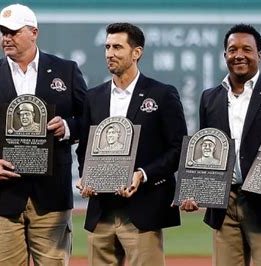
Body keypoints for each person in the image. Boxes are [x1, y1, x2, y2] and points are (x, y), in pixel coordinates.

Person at [0, 4, 87, 265]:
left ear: (34, 33)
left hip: (51, 195)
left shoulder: (67, 70)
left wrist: (67, 127)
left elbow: (88, 120)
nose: (6, 38)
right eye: (2, 32)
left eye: (13, 32)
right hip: (3, 195)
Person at [181, 24, 261, 266]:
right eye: (232, 49)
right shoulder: (210, 97)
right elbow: (207, 147)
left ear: (259, 55)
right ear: (225, 55)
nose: (239, 54)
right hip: (224, 204)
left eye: (247, 49)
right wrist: (194, 190)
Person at [76, 22, 187, 265]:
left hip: (143, 210)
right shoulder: (94, 97)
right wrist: (86, 176)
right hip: (101, 211)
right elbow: (85, 147)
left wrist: (142, 174)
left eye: (117, 47)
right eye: (107, 47)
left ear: (136, 53)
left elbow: (179, 149)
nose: (110, 53)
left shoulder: (161, 94)